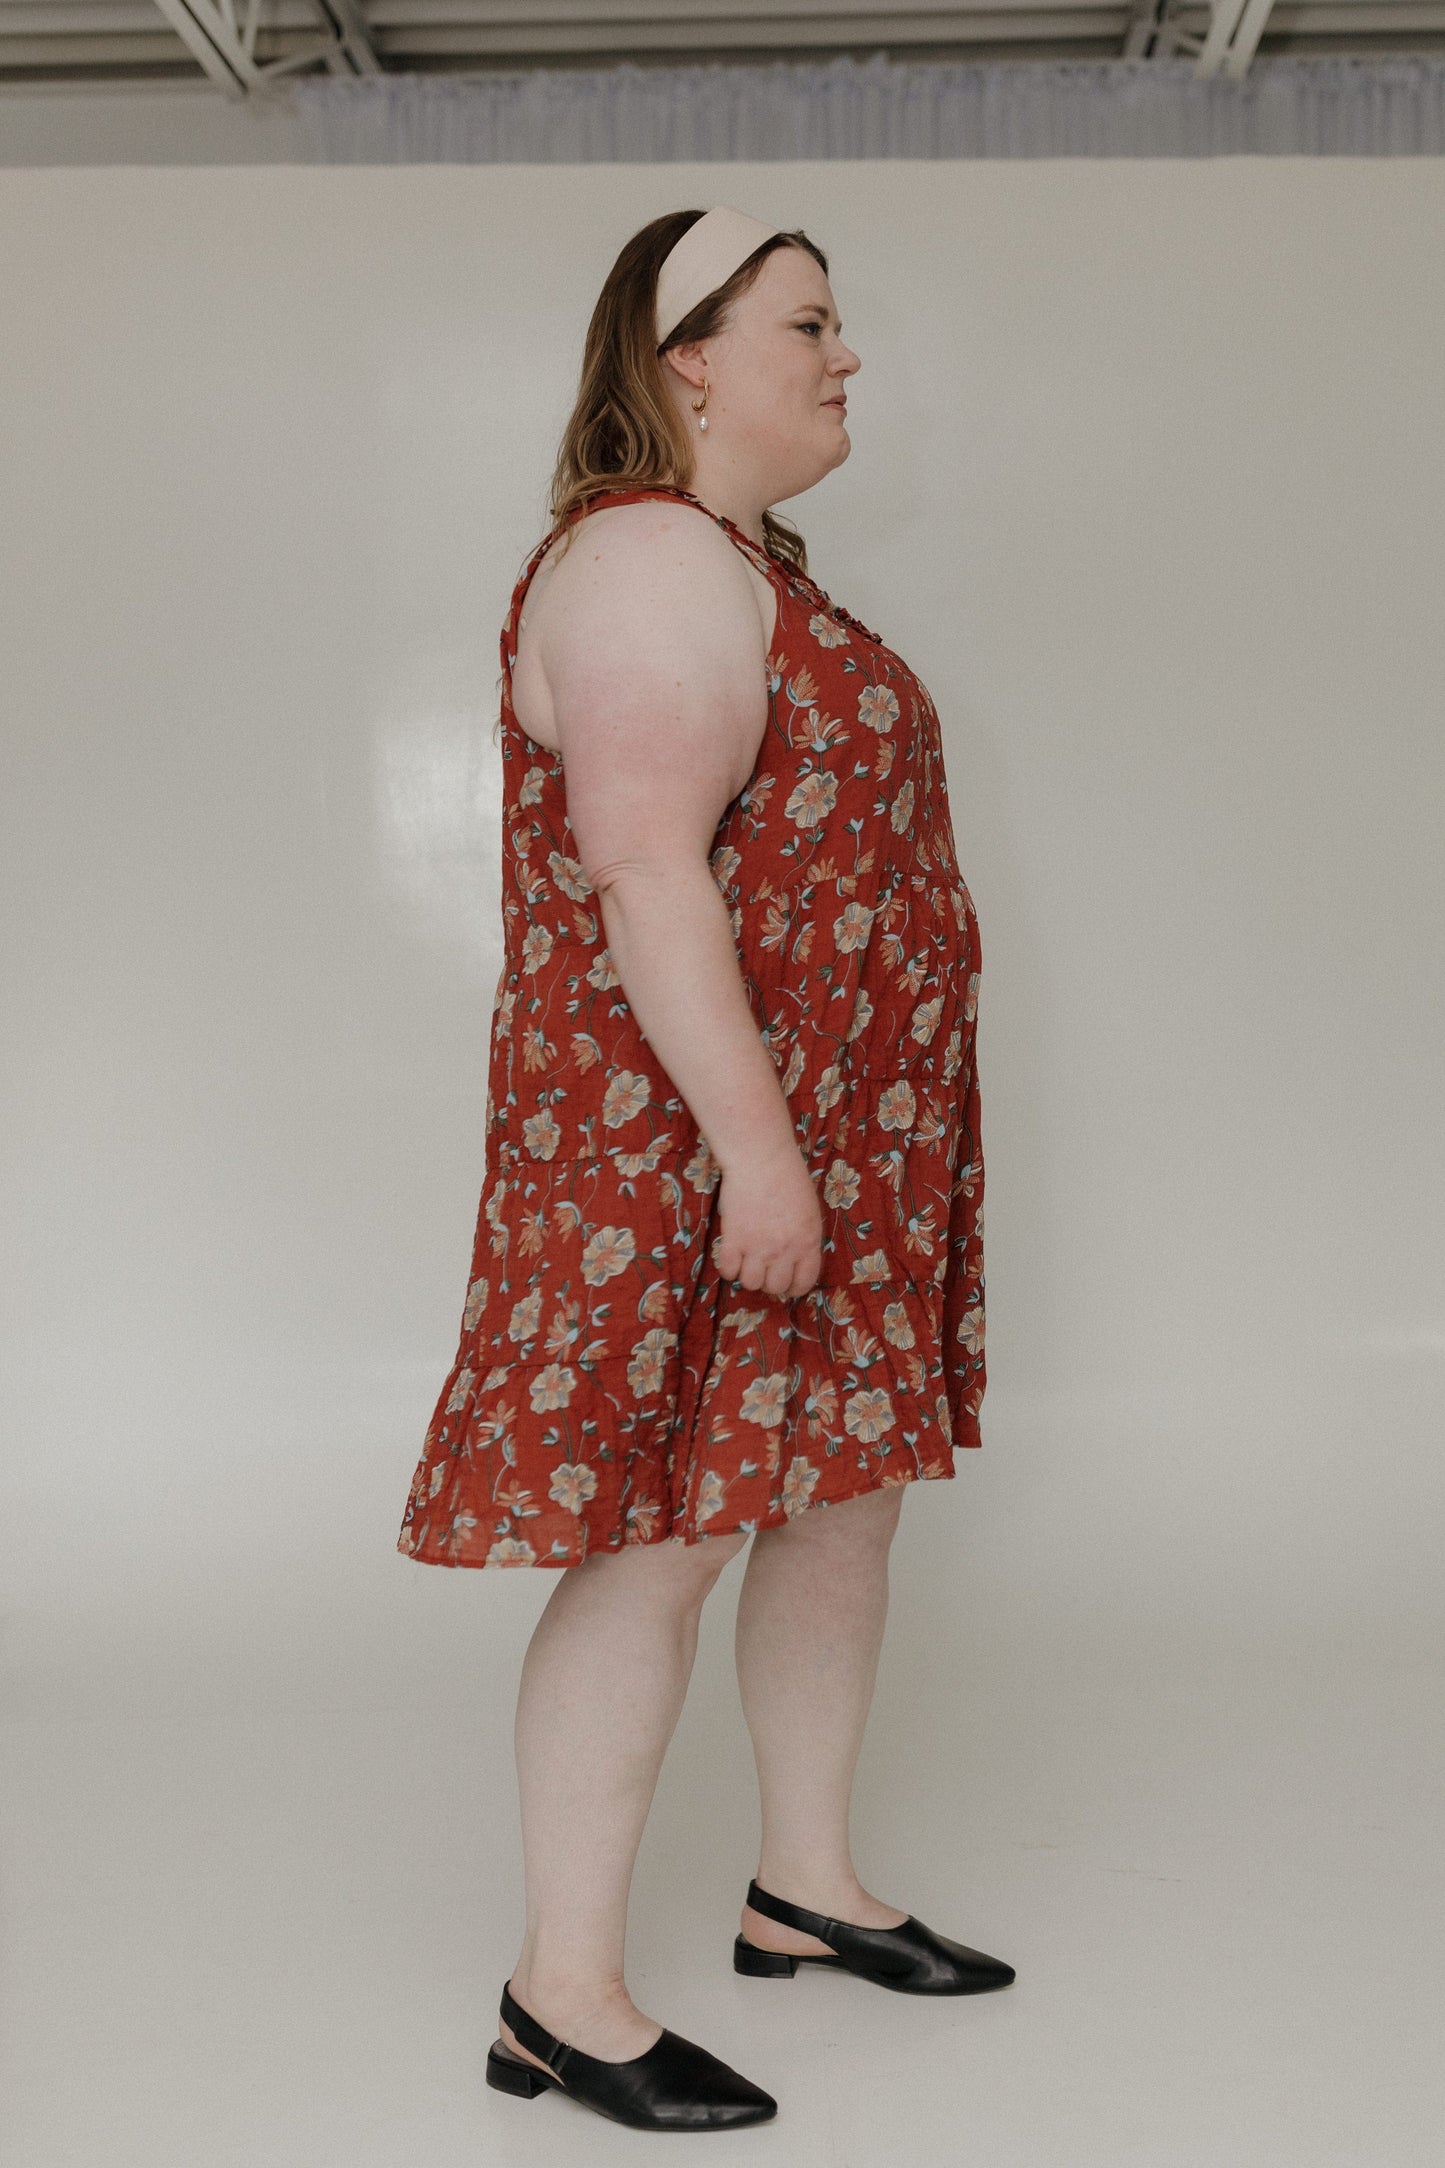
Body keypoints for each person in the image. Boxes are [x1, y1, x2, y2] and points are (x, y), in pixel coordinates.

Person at [398, 205, 1013, 2132]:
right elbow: (646, 871)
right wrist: (760, 1159)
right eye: (806, 324)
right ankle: (559, 1993)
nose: (845, 356)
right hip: (694, 1155)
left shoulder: (748, 566)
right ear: (684, 358)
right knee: (655, 1543)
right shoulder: (646, 559)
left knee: (835, 1505)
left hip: (833, 1144)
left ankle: (803, 1890)